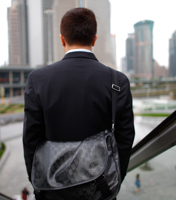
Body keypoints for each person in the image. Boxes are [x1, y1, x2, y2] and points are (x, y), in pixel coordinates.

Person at [23, 7, 135, 199]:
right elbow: (125, 139)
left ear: (62, 39)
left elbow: (30, 138)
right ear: (94, 39)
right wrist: (114, 179)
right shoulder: (117, 81)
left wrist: (37, 181)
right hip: (100, 188)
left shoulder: (37, 79)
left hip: (52, 190)